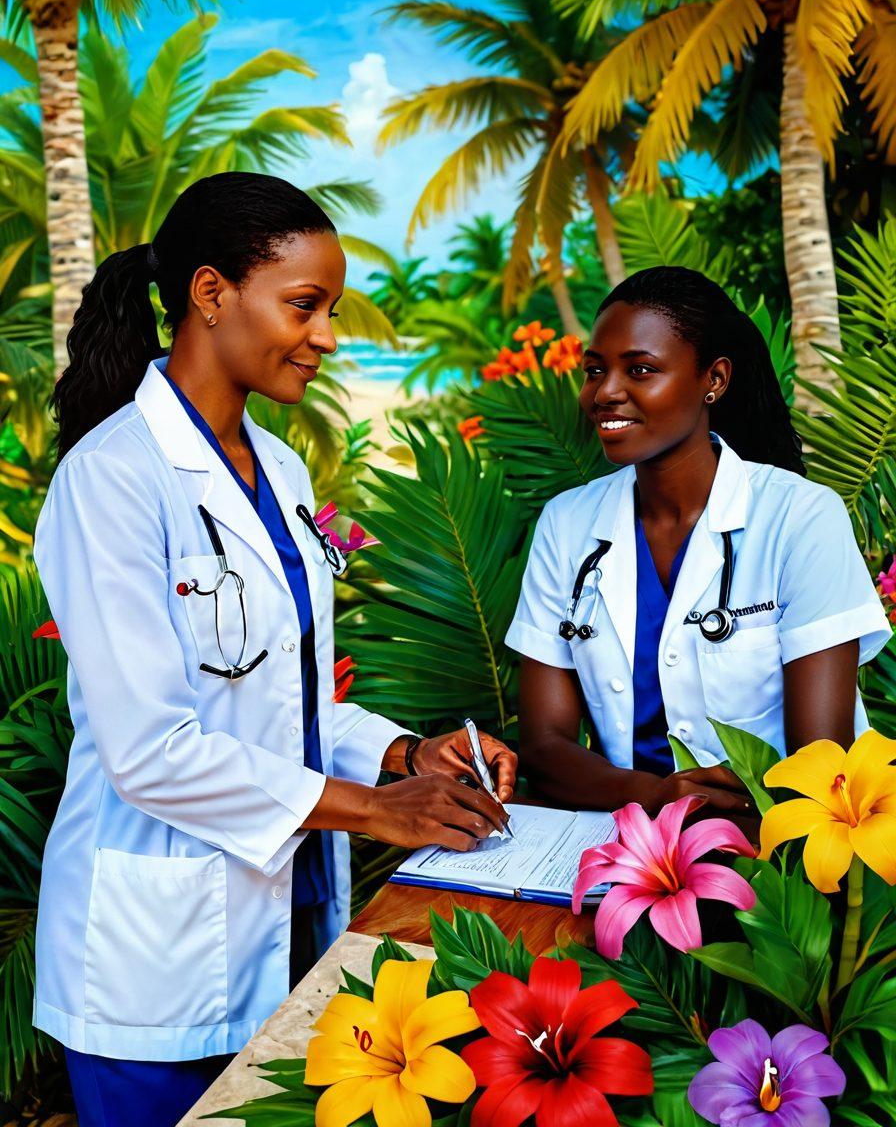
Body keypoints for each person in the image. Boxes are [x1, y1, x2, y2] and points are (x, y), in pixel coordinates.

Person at [33, 171, 517, 1127]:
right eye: (305, 305)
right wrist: (378, 809)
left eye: (330, 309)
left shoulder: (282, 468)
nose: (328, 338)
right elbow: (153, 751)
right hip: (153, 970)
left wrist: (405, 756)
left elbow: (276, 697)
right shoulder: (112, 481)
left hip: (289, 922)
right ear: (211, 294)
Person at [506, 266, 889, 818]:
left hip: (776, 857)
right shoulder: (566, 524)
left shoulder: (802, 518)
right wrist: (658, 797)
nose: (605, 393)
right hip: (633, 845)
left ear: (714, 380)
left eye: (640, 369)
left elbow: (822, 762)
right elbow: (544, 749)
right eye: (595, 370)